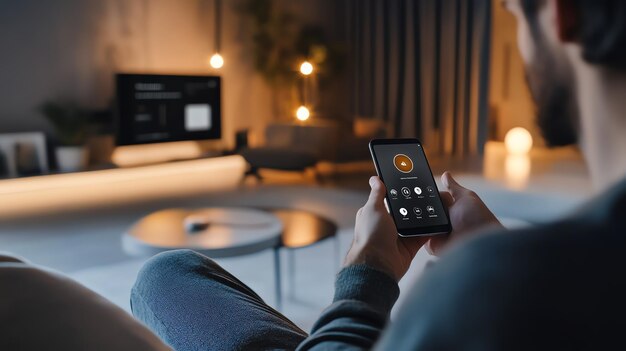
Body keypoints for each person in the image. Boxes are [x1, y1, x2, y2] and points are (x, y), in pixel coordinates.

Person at [131, 0, 625, 349]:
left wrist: (367, 270)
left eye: (515, 13)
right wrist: (490, 245)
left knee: (163, 274)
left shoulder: (490, 289)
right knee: (167, 274)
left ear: (562, 14)